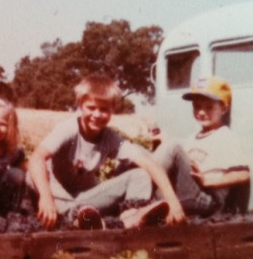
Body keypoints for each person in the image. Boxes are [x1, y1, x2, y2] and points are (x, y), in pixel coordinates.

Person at [28, 74, 185, 229]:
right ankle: (75, 219)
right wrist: (45, 197)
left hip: (87, 200)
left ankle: (131, 217)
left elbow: (148, 163)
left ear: (112, 110)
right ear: (80, 105)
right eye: (91, 108)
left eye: (104, 110)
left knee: (140, 174)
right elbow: (36, 157)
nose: (97, 115)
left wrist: (173, 201)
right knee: (32, 175)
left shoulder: (109, 137)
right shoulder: (69, 128)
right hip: (59, 200)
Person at [151, 76, 250, 216]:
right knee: (141, 156)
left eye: (209, 107)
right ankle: (138, 203)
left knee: (172, 146)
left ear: (223, 108)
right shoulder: (192, 138)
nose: (201, 112)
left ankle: (142, 200)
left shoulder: (226, 136)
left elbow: (243, 174)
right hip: (189, 194)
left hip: (208, 200)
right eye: (197, 106)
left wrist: (207, 180)